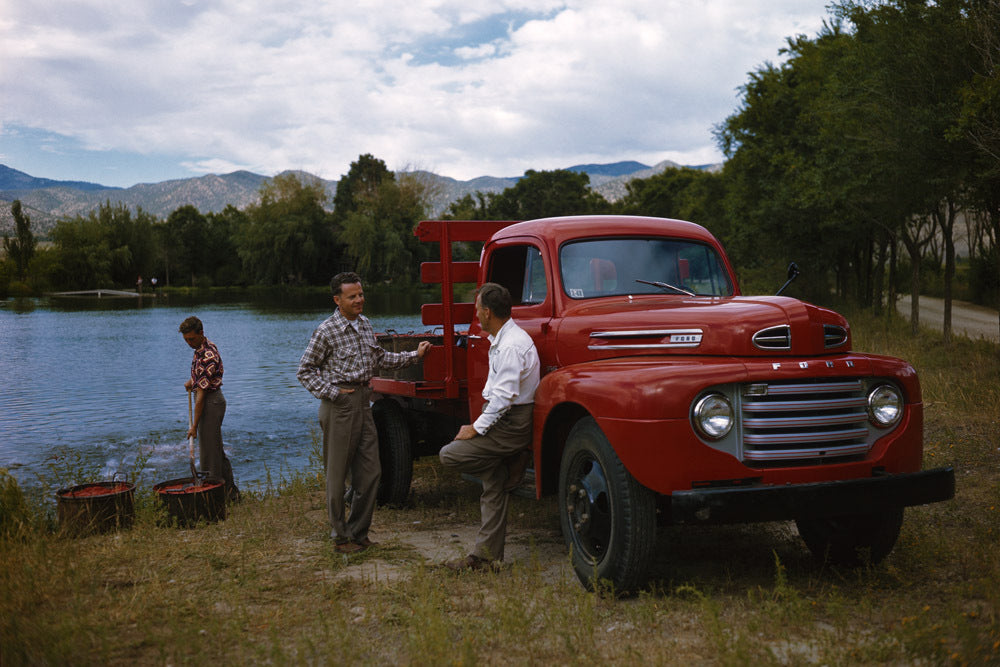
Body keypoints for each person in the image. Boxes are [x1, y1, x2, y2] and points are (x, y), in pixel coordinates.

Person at [298, 272, 431, 554]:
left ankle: (359, 532)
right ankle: (340, 537)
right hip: (339, 406)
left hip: (363, 402)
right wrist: (334, 393)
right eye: (352, 296)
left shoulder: (365, 324)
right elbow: (305, 371)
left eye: (360, 294)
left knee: (371, 472)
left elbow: (380, 359)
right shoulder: (326, 330)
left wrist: (415, 356)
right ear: (338, 300)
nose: (360, 300)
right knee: (336, 475)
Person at [439, 282, 540, 571]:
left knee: (449, 455)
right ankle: (485, 558)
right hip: (504, 418)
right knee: (494, 481)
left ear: (487, 312)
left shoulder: (510, 345)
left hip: (511, 423)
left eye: (476, 310)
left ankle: (512, 459)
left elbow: (505, 398)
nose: (476, 315)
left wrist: (477, 427)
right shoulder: (502, 338)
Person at [179, 316, 239, 501]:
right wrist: (192, 382)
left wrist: (194, 426)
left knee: (209, 454)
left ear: (201, 333)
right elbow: (203, 377)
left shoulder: (208, 354)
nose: (189, 343)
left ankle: (215, 498)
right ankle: (231, 494)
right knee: (215, 451)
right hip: (207, 399)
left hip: (210, 403)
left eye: (192, 339)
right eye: (186, 340)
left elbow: (202, 397)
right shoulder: (200, 348)